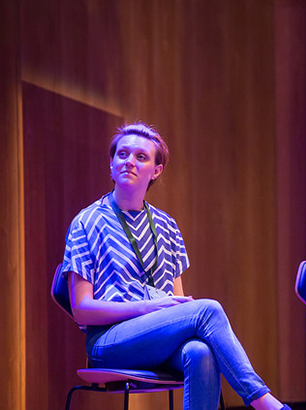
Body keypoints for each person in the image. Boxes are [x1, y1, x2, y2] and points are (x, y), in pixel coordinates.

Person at [62, 122, 290, 410]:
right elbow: (82, 309)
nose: (129, 161)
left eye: (141, 157)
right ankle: (264, 402)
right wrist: (146, 308)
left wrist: (161, 310)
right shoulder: (87, 222)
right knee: (208, 309)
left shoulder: (166, 226)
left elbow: (176, 304)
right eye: (122, 154)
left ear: (156, 171)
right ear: (111, 164)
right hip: (109, 341)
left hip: (156, 337)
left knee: (200, 352)